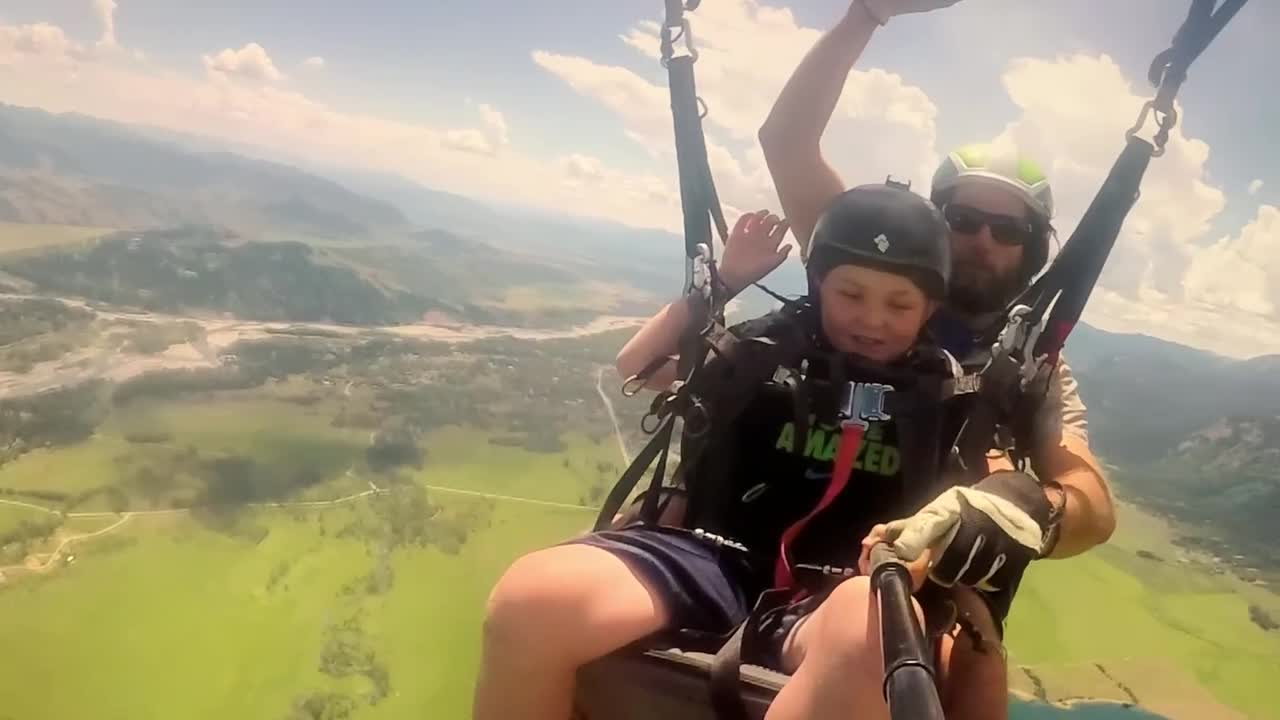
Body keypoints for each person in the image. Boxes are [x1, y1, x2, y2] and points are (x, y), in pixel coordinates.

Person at [474, 185, 1060, 720]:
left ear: (930, 309)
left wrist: (1011, 496)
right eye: (850, 293)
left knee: (871, 625)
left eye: (899, 305)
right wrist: (722, 283)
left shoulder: (949, 393)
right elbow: (641, 366)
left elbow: (995, 476)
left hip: (841, 592)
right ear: (818, 286)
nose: (871, 319)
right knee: (532, 600)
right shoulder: (768, 350)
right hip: (712, 558)